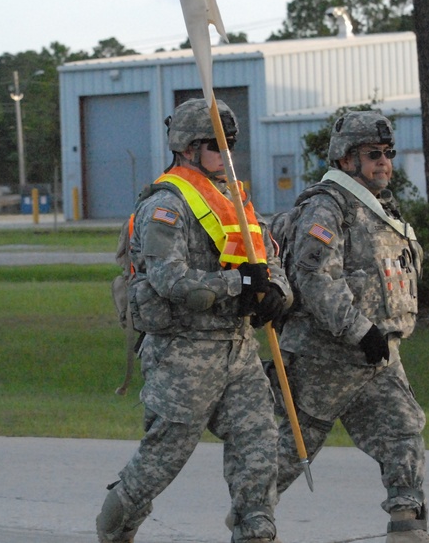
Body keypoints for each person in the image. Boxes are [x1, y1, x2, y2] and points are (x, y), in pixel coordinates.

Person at [95, 99, 292, 543]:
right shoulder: (165, 207)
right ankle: (115, 526)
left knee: (259, 444)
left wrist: (276, 290)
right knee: (163, 457)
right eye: (216, 145)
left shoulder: (234, 199)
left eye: (230, 145)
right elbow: (170, 280)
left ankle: (256, 530)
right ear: (187, 149)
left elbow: (267, 254)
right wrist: (239, 285)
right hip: (183, 353)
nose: (227, 155)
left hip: (238, 350)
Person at [274, 111, 429, 542]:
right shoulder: (327, 207)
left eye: (388, 154)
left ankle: (407, 525)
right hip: (322, 356)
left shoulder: (382, 207)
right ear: (346, 160)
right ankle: (252, 515)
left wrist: (376, 336)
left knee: (403, 429)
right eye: (373, 154)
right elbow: (315, 279)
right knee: (289, 450)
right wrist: (358, 330)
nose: (384, 162)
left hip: (377, 354)